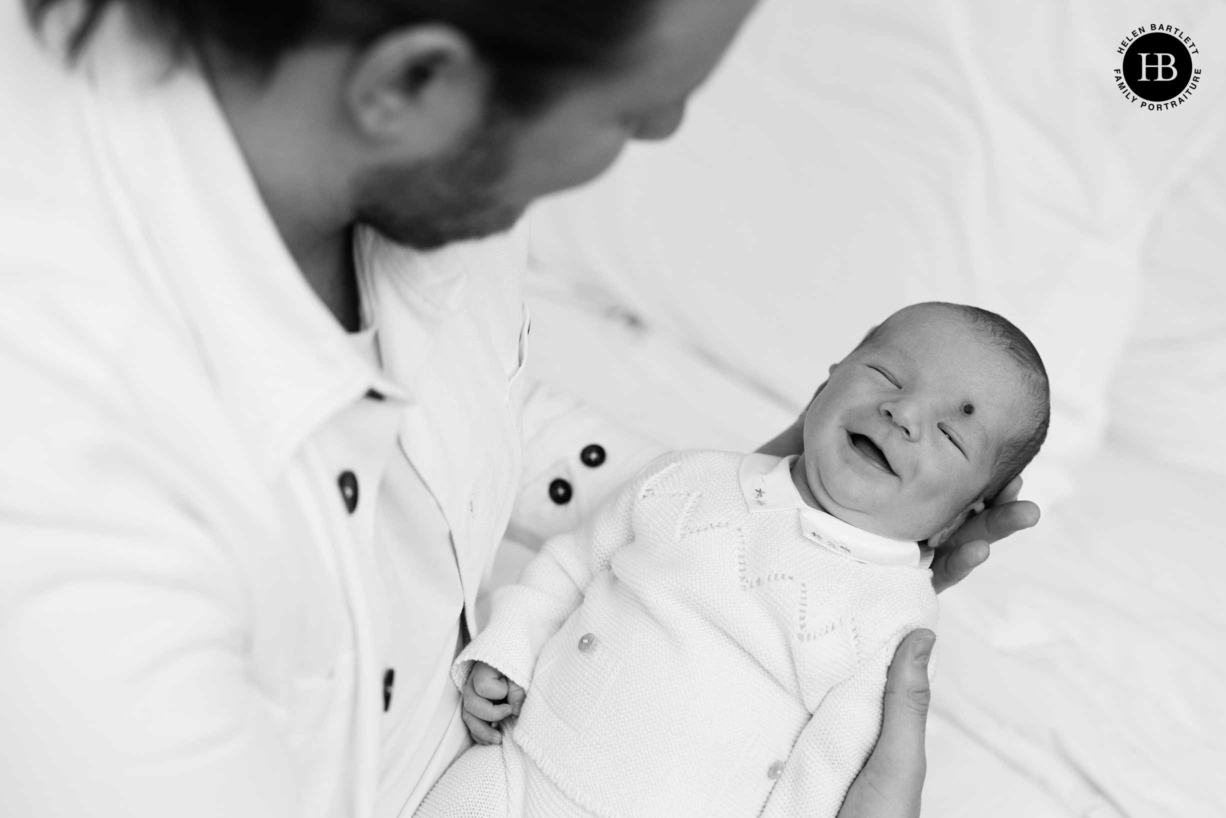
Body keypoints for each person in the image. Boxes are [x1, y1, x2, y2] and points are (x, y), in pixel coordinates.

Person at [0, 1, 1039, 817]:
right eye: (633, 110)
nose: (667, 128)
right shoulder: (86, 534)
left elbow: (471, 405)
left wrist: (755, 515)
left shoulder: (424, 185)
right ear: (414, 78)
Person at [417, 302, 1050, 817]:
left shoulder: (891, 619)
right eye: (888, 375)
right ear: (825, 383)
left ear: (965, 516)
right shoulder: (693, 478)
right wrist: (507, 649)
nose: (905, 412)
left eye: (951, 432)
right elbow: (571, 565)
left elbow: (824, 771)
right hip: (515, 771)